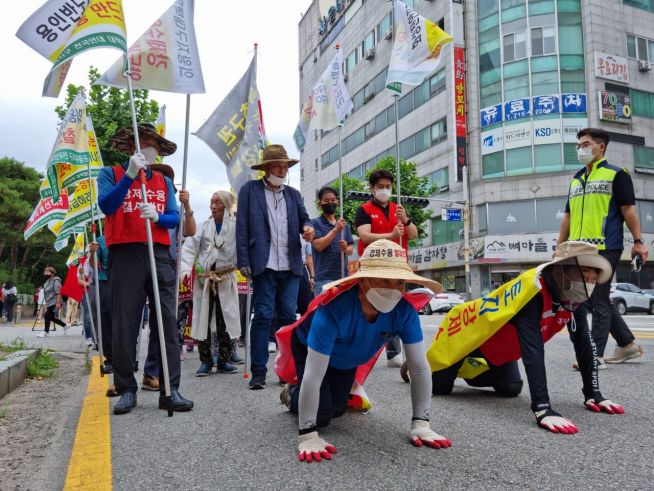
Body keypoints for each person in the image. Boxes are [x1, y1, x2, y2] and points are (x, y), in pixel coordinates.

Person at [278, 239, 451, 463]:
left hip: (346, 358)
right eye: (384, 280)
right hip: (310, 350)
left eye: (400, 282)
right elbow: (314, 375)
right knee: (320, 416)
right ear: (363, 282)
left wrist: (421, 423)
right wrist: (307, 436)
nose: (393, 289)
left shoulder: (404, 311)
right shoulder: (332, 310)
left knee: (338, 409)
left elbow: (418, 368)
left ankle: (323, 394)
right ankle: (291, 392)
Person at [428, 241, 624, 434]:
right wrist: (542, 407)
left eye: (592, 279)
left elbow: (583, 343)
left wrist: (593, 394)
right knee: (440, 388)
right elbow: (533, 349)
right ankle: (419, 369)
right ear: (559, 271)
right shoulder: (532, 291)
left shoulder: (574, 296)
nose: (587, 284)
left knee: (511, 388)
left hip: (499, 352)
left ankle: (471, 371)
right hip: (469, 341)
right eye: (583, 276)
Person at [98, 122, 193, 415]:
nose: (147, 148)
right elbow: (106, 205)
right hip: (125, 253)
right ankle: (127, 388)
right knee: (125, 323)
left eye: (152, 143)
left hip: (159, 253)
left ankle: (170, 388)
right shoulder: (110, 174)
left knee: (166, 322)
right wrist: (128, 176)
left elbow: (175, 218)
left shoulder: (162, 182)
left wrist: (158, 218)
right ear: (130, 147)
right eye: (142, 142)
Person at [557, 128, 647, 366]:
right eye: (578, 146)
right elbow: (567, 216)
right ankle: (627, 345)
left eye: (585, 145)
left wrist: (638, 242)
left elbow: (628, 210)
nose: (580, 149)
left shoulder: (617, 174)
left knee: (597, 298)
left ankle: (594, 355)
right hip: (578, 249)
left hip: (605, 246)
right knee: (593, 299)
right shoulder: (577, 178)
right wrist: (559, 247)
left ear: (600, 147)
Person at [236, 144, 314, 390]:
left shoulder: (293, 194)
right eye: (279, 166)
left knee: (288, 317)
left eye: (285, 166)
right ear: (266, 168)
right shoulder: (249, 190)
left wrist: (308, 228)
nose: (283, 170)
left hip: (290, 263)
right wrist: (243, 260)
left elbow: (304, 218)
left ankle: (286, 370)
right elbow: (242, 227)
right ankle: (258, 370)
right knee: (262, 316)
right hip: (264, 262)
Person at [141, 164, 197, 391]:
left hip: (168, 267)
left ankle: (154, 372)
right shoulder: (143, 202)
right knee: (143, 319)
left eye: (164, 180)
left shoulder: (177, 210)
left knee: (163, 320)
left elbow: (190, 231)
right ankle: (133, 371)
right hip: (141, 261)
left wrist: (187, 204)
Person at [355, 169, 417, 368]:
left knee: (395, 304)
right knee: (372, 305)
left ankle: (394, 351)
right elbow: (365, 236)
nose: (384, 190)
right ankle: (364, 345)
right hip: (374, 267)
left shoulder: (398, 210)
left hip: (397, 266)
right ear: (372, 188)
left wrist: (405, 219)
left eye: (388, 187)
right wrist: (389, 235)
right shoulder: (364, 210)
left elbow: (414, 234)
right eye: (380, 187)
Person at [181, 190, 241, 377]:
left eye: (218, 202)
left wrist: (248, 267)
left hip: (225, 278)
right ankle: (205, 361)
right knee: (202, 320)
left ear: (226, 204)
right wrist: (185, 269)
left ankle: (224, 360)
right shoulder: (203, 226)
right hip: (205, 280)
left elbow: (244, 248)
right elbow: (190, 247)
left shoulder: (237, 227)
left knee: (225, 320)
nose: (213, 206)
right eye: (211, 202)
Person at [310, 186, 354, 295]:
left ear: (338, 202)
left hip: (343, 276)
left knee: (343, 309)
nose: (330, 202)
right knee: (324, 309)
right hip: (324, 277)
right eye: (326, 200)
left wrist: (345, 248)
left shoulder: (344, 224)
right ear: (320, 204)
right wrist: (335, 230)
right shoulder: (315, 223)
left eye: (333, 200)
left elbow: (350, 250)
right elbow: (318, 246)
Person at [37, 267, 69, 337]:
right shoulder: (47, 281)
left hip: (55, 301)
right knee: (51, 317)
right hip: (49, 302)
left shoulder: (56, 281)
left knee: (46, 315)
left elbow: (58, 292)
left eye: (47, 272)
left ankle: (46, 332)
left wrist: (58, 303)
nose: (45, 273)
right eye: (45, 272)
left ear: (52, 273)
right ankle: (65, 325)